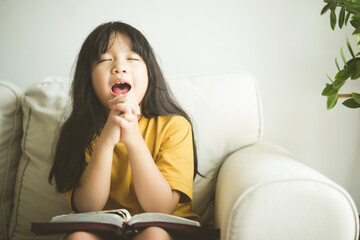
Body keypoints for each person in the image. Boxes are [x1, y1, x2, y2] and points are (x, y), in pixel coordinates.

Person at [48, 21, 200, 240]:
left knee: (154, 234)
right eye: (105, 60)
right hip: (102, 232)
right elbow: (87, 207)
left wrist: (132, 137)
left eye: (132, 59)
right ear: (88, 79)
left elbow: (160, 207)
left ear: (150, 73)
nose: (119, 67)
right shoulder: (77, 130)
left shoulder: (175, 126)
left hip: (163, 232)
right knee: (78, 236)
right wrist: (107, 139)